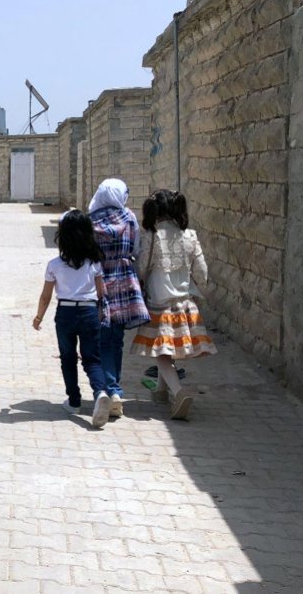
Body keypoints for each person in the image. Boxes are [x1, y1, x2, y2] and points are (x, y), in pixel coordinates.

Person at [131, 189, 216, 420]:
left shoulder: (151, 236)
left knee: (161, 352)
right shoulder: (190, 235)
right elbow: (202, 272)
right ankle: (161, 390)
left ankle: (179, 392)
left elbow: (141, 269)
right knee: (167, 347)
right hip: (185, 302)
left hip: (159, 302)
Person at [32, 209, 112, 428]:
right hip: (89, 312)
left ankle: (74, 400)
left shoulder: (54, 265)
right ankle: (100, 392)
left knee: (68, 358)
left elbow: (46, 296)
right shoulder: (94, 263)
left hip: (65, 313)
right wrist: (101, 312)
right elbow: (101, 292)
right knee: (92, 359)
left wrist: (39, 317)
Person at [88, 179, 150, 419]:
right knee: (117, 340)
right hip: (125, 281)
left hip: (100, 281)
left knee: (103, 339)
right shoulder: (129, 218)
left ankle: (110, 388)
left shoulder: (90, 221)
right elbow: (136, 250)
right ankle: (115, 391)